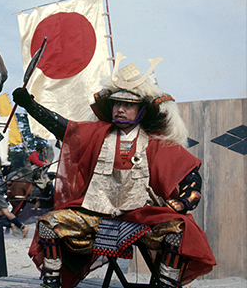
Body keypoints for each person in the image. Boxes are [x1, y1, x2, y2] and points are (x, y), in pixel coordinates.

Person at [12, 62, 216, 288]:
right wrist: (30, 105)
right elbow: (63, 127)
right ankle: (51, 284)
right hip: (95, 216)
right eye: (116, 103)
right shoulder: (96, 134)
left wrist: (181, 202)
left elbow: (189, 176)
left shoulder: (156, 143)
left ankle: (165, 284)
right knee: (49, 223)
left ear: (142, 110)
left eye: (128, 104)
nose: (119, 108)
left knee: (179, 228)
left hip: (142, 219)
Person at [28, 137, 54, 208]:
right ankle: (46, 197)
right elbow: (37, 162)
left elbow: (44, 163)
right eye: (43, 147)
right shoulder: (33, 154)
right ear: (40, 148)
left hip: (43, 171)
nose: (44, 149)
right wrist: (44, 164)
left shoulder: (41, 155)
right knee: (47, 182)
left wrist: (48, 165)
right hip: (38, 173)